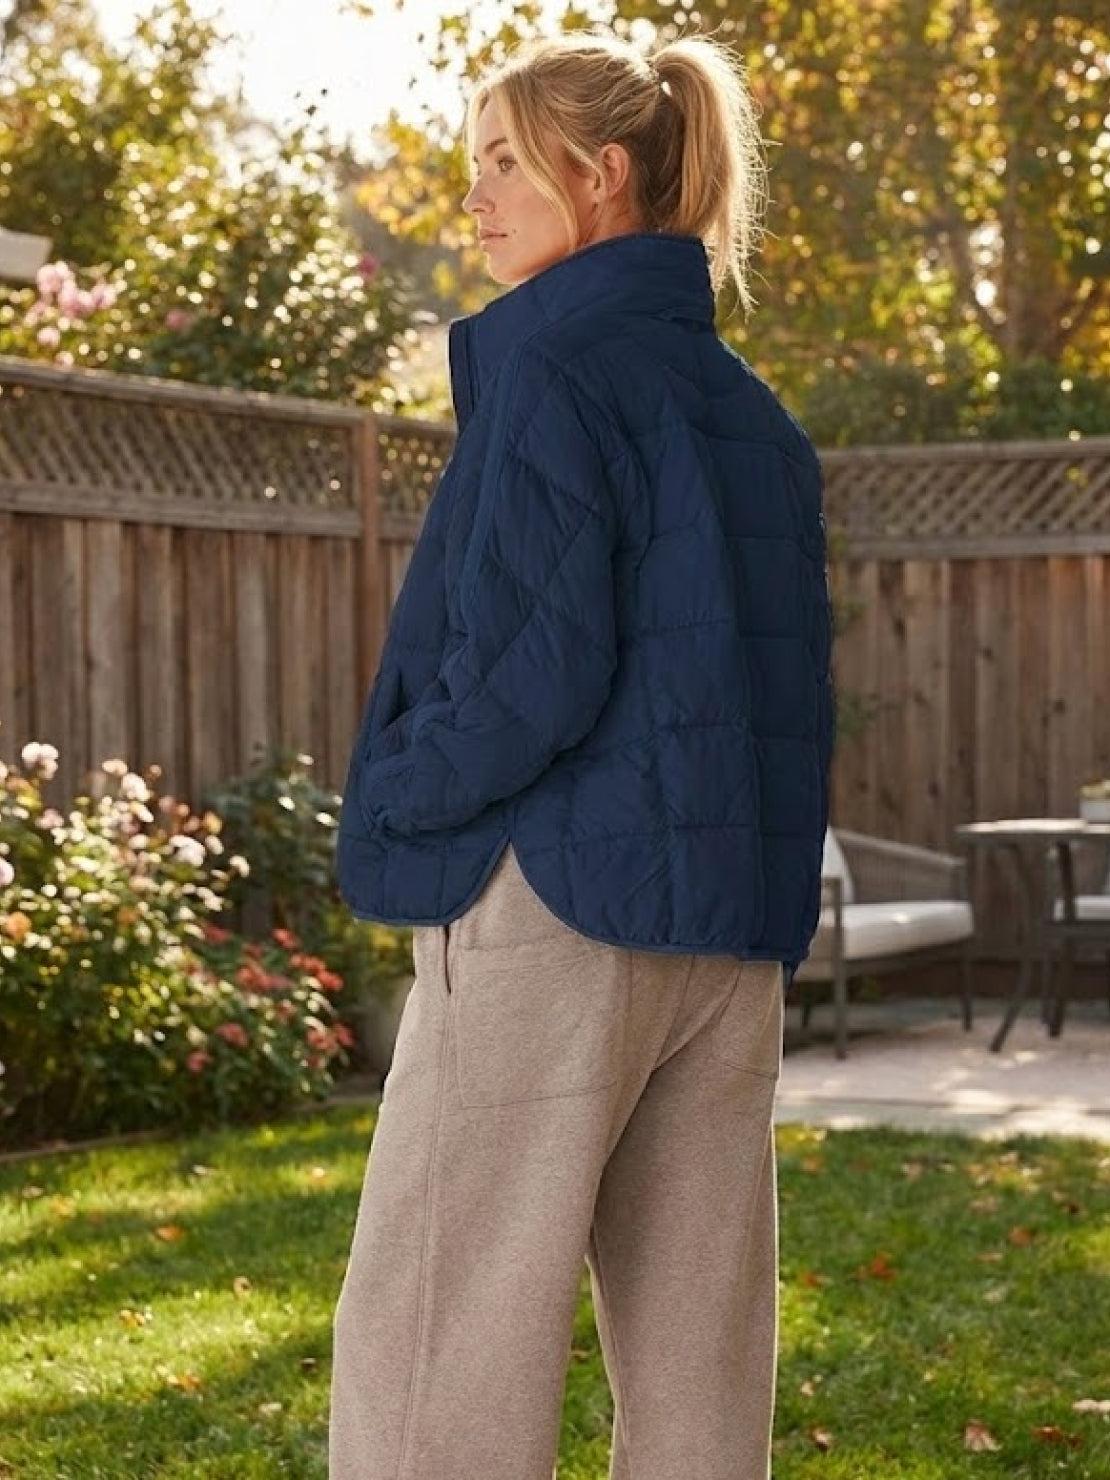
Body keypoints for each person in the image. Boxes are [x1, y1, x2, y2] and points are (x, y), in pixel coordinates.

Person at [330, 24, 834, 1480]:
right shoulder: (757, 420)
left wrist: (390, 800)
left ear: (601, 173)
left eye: (503, 162)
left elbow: (525, 673)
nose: (474, 197)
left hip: (554, 908)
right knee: (697, 1363)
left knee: (440, 1341)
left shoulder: (551, 368)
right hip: (721, 942)